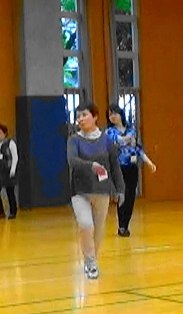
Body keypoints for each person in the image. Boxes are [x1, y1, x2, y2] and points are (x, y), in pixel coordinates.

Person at [67, 103, 125, 279]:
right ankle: (90, 262)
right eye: (78, 116)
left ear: (95, 117)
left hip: (102, 190)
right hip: (80, 191)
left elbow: (114, 165)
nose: (80, 119)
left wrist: (120, 189)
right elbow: (72, 161)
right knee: (86, 225)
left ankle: (91, 259)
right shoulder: (74, 140)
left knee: (98, 231)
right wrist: (91, 165)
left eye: (84, 115)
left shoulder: (106, 140)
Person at [106, 105, 157, 237]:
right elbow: (115, 144)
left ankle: (126, 224)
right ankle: (121, 226)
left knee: (130, 196)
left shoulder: (131, 130)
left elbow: (137, 149)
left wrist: (149, 162)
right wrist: (125, 140)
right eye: (110, 114)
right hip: (118, 168)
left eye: (114, 113)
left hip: (132, 166)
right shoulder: (109, 132)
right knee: (122, 195)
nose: (112, 116)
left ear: (120, 114)